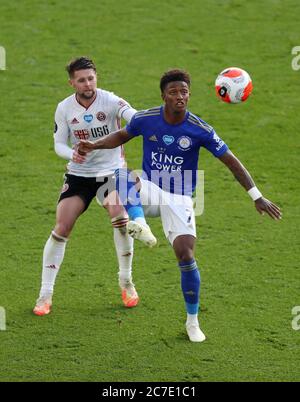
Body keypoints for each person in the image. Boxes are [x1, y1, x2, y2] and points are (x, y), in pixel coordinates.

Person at [78, 69, 282, 342]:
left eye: (184, 92)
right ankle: (139, 223)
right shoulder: (146, 119)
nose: (179, 96)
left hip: (181, 196)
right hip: (150, 187)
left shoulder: (199, 129)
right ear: (163, 95)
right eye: (173, 92)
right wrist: (94, 144)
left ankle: (192, 322)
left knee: (186, 256)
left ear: (189, 95)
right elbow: (122, 136)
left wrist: (256, 195)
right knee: (122, 176)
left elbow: (231, 161)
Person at [33, 56, 156, 316]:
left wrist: (141, 121)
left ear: (96, 77)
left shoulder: (111, 101)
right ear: (72, 83)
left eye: (91, 78)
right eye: (81, 80)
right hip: (78, 176)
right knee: (62, 227)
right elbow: (59, 144)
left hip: (110, 174)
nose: (88, 83)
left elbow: (132, 116)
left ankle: (126, 281)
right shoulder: (64, 108)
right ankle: (45, 294)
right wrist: (72, 155)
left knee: (120, 218)